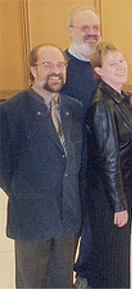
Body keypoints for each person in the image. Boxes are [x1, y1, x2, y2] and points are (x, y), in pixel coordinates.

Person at [0, 44, 83, 288]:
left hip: (68, 214)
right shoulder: (10, 110)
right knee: (31, 283)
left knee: (62, 282)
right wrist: (26, 195)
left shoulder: (73, 108)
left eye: (60, 65)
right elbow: (4, 167)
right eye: (47, 65)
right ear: (33, 70)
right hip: (31, 216)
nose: (55, 71)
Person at [85, 41, 132, 288]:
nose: (120, 67)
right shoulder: (103, 104)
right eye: (112, 63)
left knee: (116, 260)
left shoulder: (120, 98)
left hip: (119, 190)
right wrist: (119, 204)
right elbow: (108, 159)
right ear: (98, 70)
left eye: (121, 60)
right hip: (109, 197)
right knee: (112, 263)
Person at [60, 6, 102, 288]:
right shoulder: (60, 66)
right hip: (70, 163)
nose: (91, 33)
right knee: (70, 225)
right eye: (84, 28)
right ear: (71, 31)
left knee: (93, 224)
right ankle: (62, 276)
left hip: (99, 161)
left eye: (95, 28)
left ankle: (85, 274)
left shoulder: (104, 63)